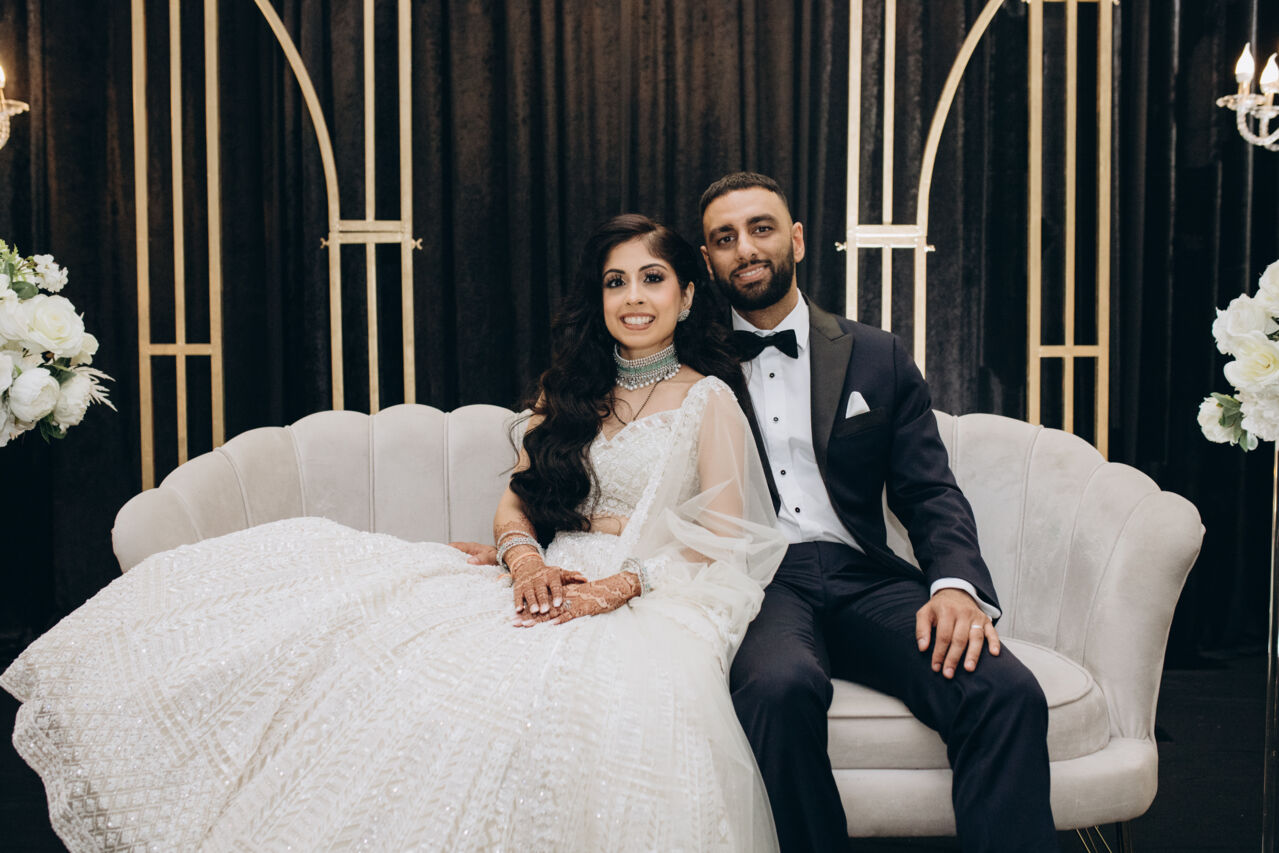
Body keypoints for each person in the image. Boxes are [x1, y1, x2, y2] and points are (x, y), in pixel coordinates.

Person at [1, 214, 787, 852]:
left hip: (651, 589)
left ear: (687, 294)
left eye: (652, 278)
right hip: (545, 575)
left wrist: (617, 586)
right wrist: (521, 561)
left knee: (579, 704)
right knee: (369, 642)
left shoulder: (707, 399)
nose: (633, 297)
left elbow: (721, 537)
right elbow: (516, 502)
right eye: (615, 281)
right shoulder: (570, 391)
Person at [698, 172, 1056, 853]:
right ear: (708, 259)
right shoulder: (689, 362)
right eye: (724, 238)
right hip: (758, 580)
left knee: (1003, 688)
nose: (744, 248)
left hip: (865, 573)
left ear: (796, 239)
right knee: (776, 688)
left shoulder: (875, 353)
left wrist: (955, 585)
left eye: (760, 228)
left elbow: (929, 489)